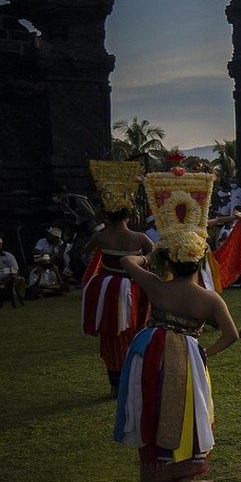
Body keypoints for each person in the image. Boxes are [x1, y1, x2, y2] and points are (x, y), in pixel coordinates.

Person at [112, 169, 238, 482]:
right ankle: (183, 478)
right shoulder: (210, 299)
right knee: (188, 410)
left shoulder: (157, 287)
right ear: (200, 263)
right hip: (188, 355)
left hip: (151, 348)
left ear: (170, 262)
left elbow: (126, 262)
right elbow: (232, 335)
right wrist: (205, 353)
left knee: (151, 404)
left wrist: (152, 254)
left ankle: (155, 477)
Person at [83, 160, 153, 397]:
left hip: (106, 288)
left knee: (110, 337)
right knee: (135, 331)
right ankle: (132, 381)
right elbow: (156, 255)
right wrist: (142, 261)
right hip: (133, 289)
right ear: (129, 211)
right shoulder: (140, 238)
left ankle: (115, 385)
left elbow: (84, 251)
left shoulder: (100, 237)